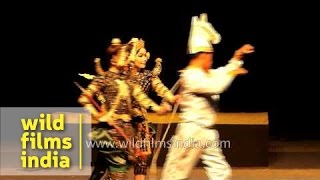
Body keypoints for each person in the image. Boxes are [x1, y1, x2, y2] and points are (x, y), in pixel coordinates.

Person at [161, 13, 254, 180]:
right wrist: (232, 71)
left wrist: (237, 58)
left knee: (220, 172)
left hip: (206, 133)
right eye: (210, 57)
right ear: (203, 55)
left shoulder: (203, 74)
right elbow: (216, 85)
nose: (212, 60)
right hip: (191, 132)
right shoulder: (191, 76)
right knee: (174, 174)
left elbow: (219, 74)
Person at [78, 38, 170, 180]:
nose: (143, 58)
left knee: (134, 165)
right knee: (111, 168)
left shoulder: (135, 78)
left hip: (134, 128)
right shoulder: (110, 78)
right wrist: (99, 115)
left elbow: (143, 96)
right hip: (113, 130)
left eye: (145, 55)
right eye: (139, 55)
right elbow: (87, 98)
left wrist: (159, 107)